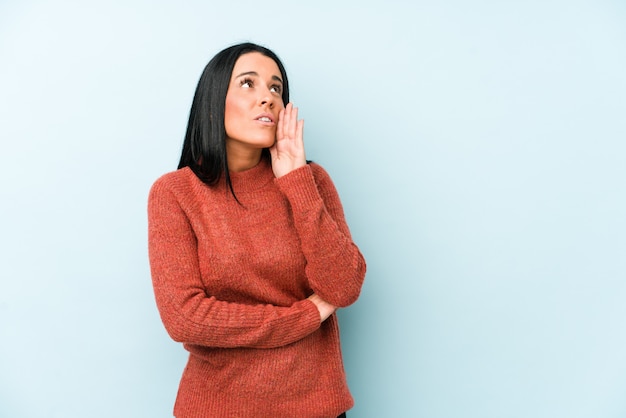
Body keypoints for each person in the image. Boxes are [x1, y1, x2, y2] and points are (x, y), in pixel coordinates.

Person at [148, 42, 366, 418]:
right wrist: (305, 317)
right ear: (214, 100)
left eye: (276, 88)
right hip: (218, 408)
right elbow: (185, 317)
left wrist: (296, 181)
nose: (267, 97)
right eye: (248, 84)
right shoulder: (175, 193)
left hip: (315, 407)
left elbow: (344, 287)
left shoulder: (311, 181)